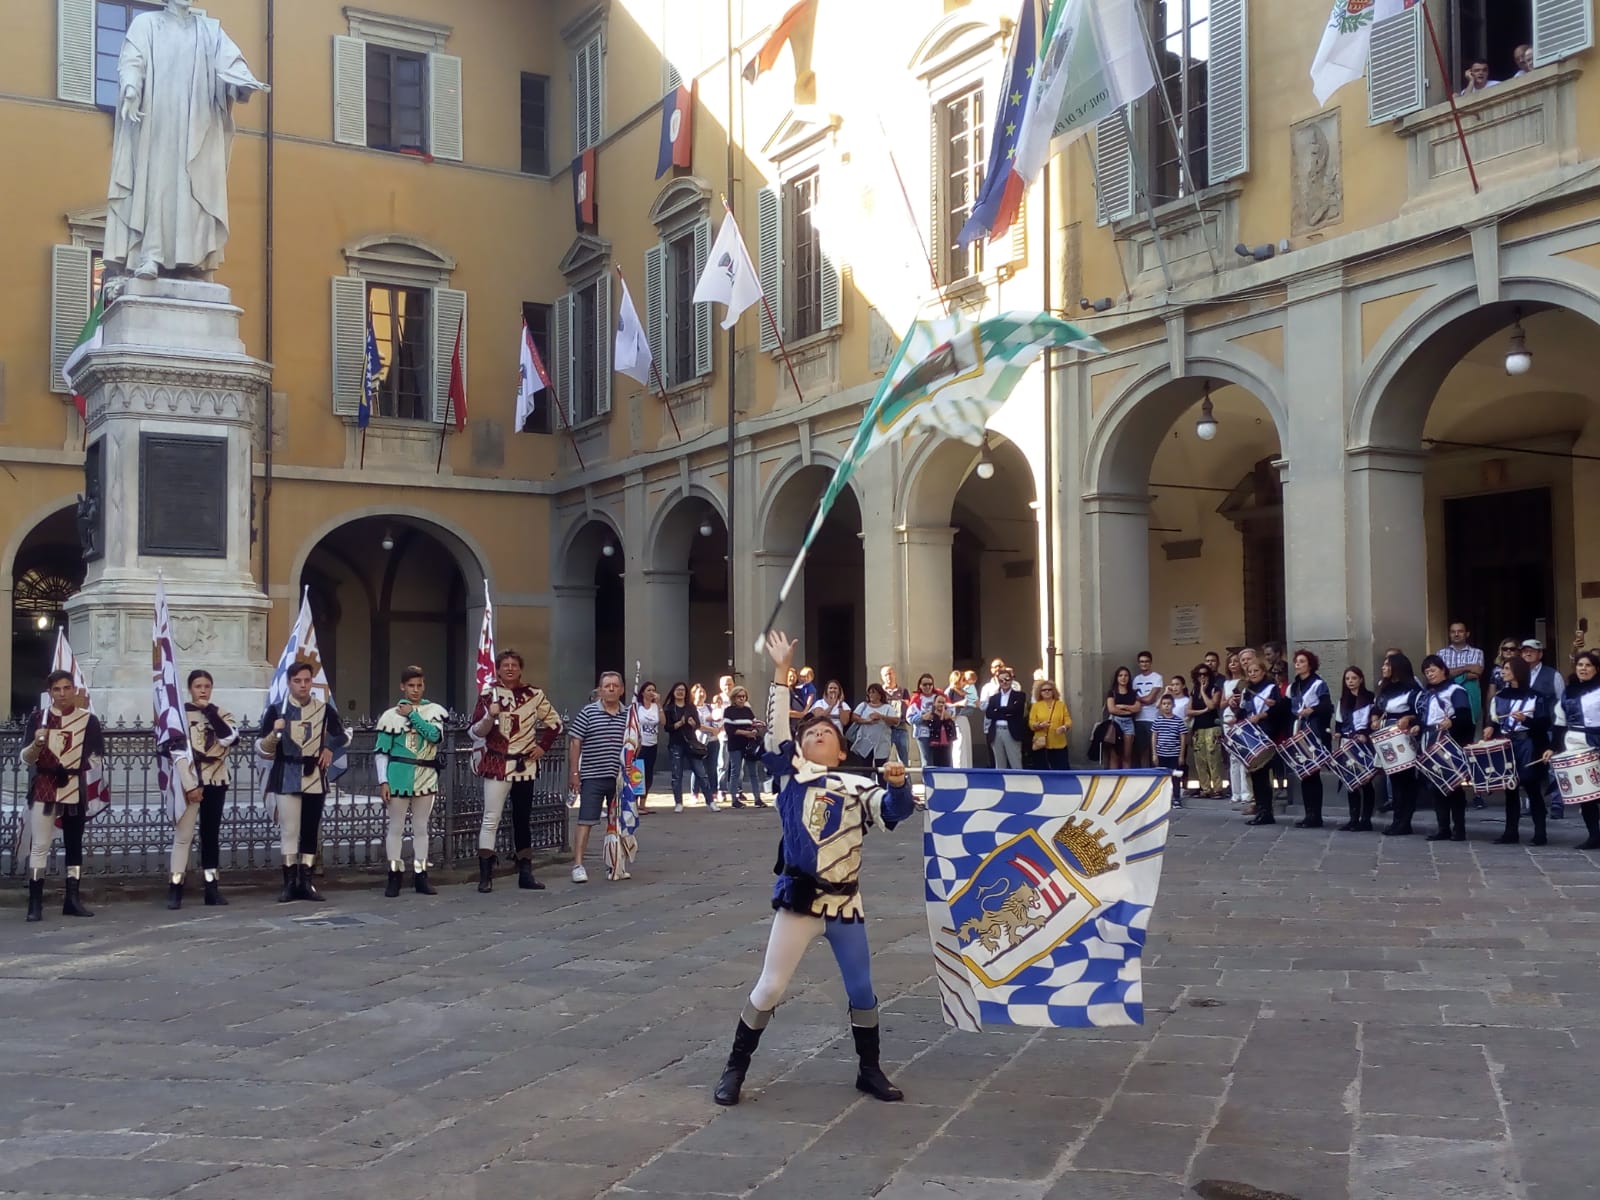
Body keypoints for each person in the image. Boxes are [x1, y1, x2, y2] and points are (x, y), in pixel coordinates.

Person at [712, 630, 915, 1108]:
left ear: (842, 751)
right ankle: (734, 1068)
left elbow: (894, 812)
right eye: (810, 733)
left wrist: (900, 784)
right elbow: (777, 727)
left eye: (827, 733)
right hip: (800, 901)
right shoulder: (792, 774)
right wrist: (782, 673)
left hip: (846, 904)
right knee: (771, 985)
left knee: (862, 989)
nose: (818, 733)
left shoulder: (856, 785)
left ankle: (870, 1069)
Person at [106, 0, 269, 279]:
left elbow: (233, 65)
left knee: (194, 189)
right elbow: (132, 60)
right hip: (159, 119)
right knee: (158, 184)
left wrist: (243, 84)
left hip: (198, 125)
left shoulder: (210, 31)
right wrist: (131, 90)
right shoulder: (146, 24)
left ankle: (191, 259)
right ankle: (151, 255)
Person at [469, 650, 561, 892]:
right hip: (497, 763)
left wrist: (542, 747)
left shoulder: (534, 695)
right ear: (498, 669)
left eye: (514, 665)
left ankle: (525, 872)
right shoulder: (489, 694)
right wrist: (491, 715)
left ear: (520, 669)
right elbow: (475, 731)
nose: (509, 668)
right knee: (491, 818)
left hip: (525, 765)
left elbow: (555, 723)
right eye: (505, 665)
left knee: (522, 819)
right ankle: (485, 874)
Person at [259, 661, 350, 903]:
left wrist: (329, 747)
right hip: (286, 772)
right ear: (289, 682)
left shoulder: (323, 709)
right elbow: (262, 747)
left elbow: (343, 734)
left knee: (310, 829)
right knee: (290, 830)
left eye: (307, 680)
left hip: (314, 776)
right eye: (297, 681)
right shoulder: (276, 711)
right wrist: (274, 733)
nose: (302, 685)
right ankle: (289, 884)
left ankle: (306, 882)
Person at [20, 671, 104, 922]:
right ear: (50, 693)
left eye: (67, 688)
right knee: (40, 845)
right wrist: (36, 744)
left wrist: (76, 764)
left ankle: (72, 899)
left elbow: (97, 755)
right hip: (44, 785)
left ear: (74, 690)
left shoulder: (88, 720)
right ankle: (35, 904)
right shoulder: (38, 718)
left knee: (74, 845)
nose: (63, 693)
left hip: (73, 785)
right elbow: (24, 758)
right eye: (57, 689)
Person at [167, 669, 237, 909]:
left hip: (215, 780)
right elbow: (176, 753)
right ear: (190, 689)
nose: (203, 690)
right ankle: (175, 887)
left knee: (210, 836)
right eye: (198, 686)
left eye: (207, 685)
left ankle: (211, 889)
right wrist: (190, 786)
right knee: (183, 836)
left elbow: (228, 738)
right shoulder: (179, 715)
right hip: (189, 781)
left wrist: (209, 711)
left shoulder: (222, 713)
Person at [374, 666, 446, 897]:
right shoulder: (389, 716)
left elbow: (434, 736)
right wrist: (383, 780)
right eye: (411, 685)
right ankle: (394, 874)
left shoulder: (433, 711)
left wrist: (413, 715)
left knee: (421, 828)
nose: (415, 690)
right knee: (395, 827)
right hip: (398, 775)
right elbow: (382, 751)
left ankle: (420, 874)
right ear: (402, 687)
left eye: (419, 685)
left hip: (425, 774)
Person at [565, 671, 631, 881]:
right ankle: (578, 865)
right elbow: (576, 742)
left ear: (621, 690)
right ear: (600, 690)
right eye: (607, 686)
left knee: (618, 822)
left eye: (615, 686)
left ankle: (615, 863)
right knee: (586, 820)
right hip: (593, 775)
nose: (611, 689)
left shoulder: (629, 715)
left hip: (619, 778)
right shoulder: (589, 712)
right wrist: (574, 772)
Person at [1486, 655, 1553, 846]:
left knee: (1532, 788)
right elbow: (1495, 719)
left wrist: (1526, 720)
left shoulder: (1535, 696)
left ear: (1517, 672)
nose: (1503, 672)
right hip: (1507, 744)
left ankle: (1540, 833)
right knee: (1510, 789)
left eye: (1507, 669)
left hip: (1528, 745)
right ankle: (1510, 832)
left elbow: (1544, 723)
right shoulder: (1499, 697)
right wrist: (1490, 726)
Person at [1417, 655, 1474, 843]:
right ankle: (1443, 828)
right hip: (1429, 740)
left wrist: (1453, 722)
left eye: (1433, 670)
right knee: (1436, 786)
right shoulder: (1425, 693)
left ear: (1443, 670)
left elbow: (1465, 716)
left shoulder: (1455, 690)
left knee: (1453, 786)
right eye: (1427, 672)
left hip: (1448, 741)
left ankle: (1459, 829)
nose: (1430, 674)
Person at [1372, 652, 1423, 837]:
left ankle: (1405, 821)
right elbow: (1377, 708)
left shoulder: (1412, 690)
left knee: (1406, 781)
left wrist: (1408, 718)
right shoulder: (1385, 689)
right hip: (1386, 736)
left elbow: (1422, 713)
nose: (1383, 667)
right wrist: (1374, 718)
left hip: (1403, 737)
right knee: (1394, 780)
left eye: (1388, 664)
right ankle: (1397, 820)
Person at [1236, 657, 1286, 825]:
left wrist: (1263, 714)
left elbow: (1279, 710)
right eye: (1249, 672)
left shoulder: (1271, 688)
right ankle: (1260, 809)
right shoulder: (1247, 690)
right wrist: (1235, 709)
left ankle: (1267, 812)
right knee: (1255, 774)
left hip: (1266, 734)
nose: (1253, 674)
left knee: (1264, 775)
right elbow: (1242, 713)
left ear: (1263, 672)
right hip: (1251, 736)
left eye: (1256, 671)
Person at [1288, 650, 1333, 829]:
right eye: (1296, 662)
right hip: (1298, 731)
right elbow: (1288, 708)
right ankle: (1309, 814)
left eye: (1301, 661)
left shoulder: (1318, 684)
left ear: (1310, 664)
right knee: (1304, 775)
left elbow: (1326, 706)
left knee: (1312, 774)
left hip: (1313, 732)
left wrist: (1312, 710)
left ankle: (1316, 815)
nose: (1297, 664)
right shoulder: (1294, 687)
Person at [1523, 639, 1568, 820]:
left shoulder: (1552, 675)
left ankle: (1557, 804)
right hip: (1528, 728)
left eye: (1532, 651)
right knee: (1528, 766)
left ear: (1540, 654)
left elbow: (1561, 701)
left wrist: (1560, 727)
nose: (1528, 653)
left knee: (1553, 766)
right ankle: (1530, 803)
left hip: (1549, 726)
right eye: (1525, 650)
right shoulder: (1518, 674)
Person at [1560, 650, 1600, 850]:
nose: (1583, 669)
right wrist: (1553, 747)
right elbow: (1559, 720)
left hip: (1597, 742)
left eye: (1588, 665)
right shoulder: (1568, 691)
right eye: (1580, 665)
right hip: (1575, 744)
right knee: (1586, 793)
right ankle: (1594, 835)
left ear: (1596, 669)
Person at [1334, 667, 1377, 832]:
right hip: (1347, 743)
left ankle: (1366, 819)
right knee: (1351, 782)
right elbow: (1338, 723)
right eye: (1347, 679)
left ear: (1361, 679)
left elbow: (1373, 720)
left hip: (1364, 743)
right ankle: (1353, 819)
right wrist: (1337, 733)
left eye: (1353, 678)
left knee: (1365, 781)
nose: (1350, 681)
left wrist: (1366, 734)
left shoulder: (1369, 698)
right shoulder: (1343, 700)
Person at [664, 681, 715, 813]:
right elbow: (667, 727)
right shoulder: (669, 708)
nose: (680, 692)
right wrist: (678, 724)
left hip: (691, 743)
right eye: (678, 690)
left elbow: (697, 725)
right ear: (674, 692)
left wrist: (693, 724)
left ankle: (710, 801)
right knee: (677, 775)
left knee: (701, 773)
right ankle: (678, 803)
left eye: (683, 690)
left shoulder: (690, 707)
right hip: (676, 744)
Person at [723, 685, 768, 807]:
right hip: (735, 745)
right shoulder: (728, 711)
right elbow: (729, 729)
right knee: (735, 772)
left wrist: (755, 730)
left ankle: (757, 799)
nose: (742, 699)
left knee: (754, 773)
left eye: (744, 696)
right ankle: (734, 799)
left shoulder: (748, 711)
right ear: (733, 698)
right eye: (739, 697)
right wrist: (746, 733)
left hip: (749, 746)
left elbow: (754, 723)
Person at [1221, 653, 1253, 809]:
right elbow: (1221, 704)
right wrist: (1229, 701)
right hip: (1228, 718)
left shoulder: (1246, 681)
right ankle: (1236, 793)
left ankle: (1247, 793)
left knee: (1244, 757)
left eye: (1236, 661)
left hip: (1241, 717)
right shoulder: (1226, 683)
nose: (1233, 664)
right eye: (1230, 662)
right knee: (1233, 757)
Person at [1189, 663, 1224, 799]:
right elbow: (1188, 710)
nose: (1202, 677)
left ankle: (1218, 789)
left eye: (1205, 674)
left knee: (1213, 759)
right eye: (1199, 675)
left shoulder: (1215, 689)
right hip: (1198, 728)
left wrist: (1203, 691)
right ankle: (1205, 788)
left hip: (1212, 727)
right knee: (1200, 760)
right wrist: (1201, 711)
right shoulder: (1193, 691)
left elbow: (1212, 705)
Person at [984, 667, 1027, 769]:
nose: (1004, 682)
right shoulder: (994, 697)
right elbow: (989, 713)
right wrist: (1006, 711)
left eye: (1007, 679)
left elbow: (1016, 711)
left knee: (1015, 761)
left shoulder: (1020, 695)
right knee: (999, 763)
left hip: (1011, 731)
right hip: (996, 731)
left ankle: (1018, 783)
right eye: (1001, 680)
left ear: (1011, 679)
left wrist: (998, 710)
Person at [1151, 696, 1188, 807]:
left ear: (1173, 705)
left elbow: (1182, 738)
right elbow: (1154, 737)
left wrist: (1181, 755)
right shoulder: (1158, 720)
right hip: (1161, 754)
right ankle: (1160, 799)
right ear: (1161, 706)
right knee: (1161, 778)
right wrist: (1154, 754)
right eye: (1164, 704)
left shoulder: (1178, 721)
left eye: (1169, 703)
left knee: (1175, 777)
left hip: (1174, 754)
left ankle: (1176, 798)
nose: (1167, 706)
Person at [850, 683, 897, 769]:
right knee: (865, 769)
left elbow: (895, 721)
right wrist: (866, 721)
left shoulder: (887, 708)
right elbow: (854, 717)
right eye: (869, 692)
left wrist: (881, 717)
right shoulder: (863, 705)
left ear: (879, 695)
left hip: (881, 743)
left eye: (873, 692)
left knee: (881, 769)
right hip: (865, 742)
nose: (871, 695)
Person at [1100, 666, 1139, 770]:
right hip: (1115, 723)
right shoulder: (1112, 692)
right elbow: (1112, 709)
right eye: (1120, 675)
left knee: (1127, 755)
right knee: (1114, 755)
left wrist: (1123, 707)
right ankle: (1114, 782)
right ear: (1117, 677)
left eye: (1126, 675)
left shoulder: (1133, 693)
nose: (1123, 678)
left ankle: (1125, 781)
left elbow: (1137, 708)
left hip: (1129, 724)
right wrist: (1128, 711)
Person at [1029, 680, 1072, 771]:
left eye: (1049, 689)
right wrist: (1040, 725)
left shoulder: (1061, 705)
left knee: (1061, 769)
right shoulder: (1036, 706)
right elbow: (1031, 723)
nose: (1047, 691)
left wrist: (1064, 727)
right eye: (1044, 690)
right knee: (1042, 769)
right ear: (1039, 692)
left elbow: (1067, 719)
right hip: (1042, 743)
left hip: (1059, 742)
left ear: (1054, 691)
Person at [693, 683, 724, 807]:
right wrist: (711, 729)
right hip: (699, 741)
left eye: (703, 692)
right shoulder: (693, 709)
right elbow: (697, 724)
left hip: (713, 741)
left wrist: (718, 728)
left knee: (712, 768)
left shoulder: (710, 707)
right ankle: (694, 793)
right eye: (699, 692)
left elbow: (720, 719)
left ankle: (713, 792)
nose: (702, 694)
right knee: (698, 768)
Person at [1131, 652, 1163, 769]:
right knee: (1142, 749)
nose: (1144, 664)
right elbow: (1132, 699)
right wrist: (1139, 700)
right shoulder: (1135, 679)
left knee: (1153, 749)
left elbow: (1150, 699)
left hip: (1152, 718)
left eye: (1146, 661)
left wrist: (1138, 699)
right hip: (1138, 718)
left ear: (1150, 663)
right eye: (1141, 662)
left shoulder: (1157, 677)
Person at [879, 666, 912, 765]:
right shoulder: (880, 692)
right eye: (886, 675)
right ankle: (882, 780)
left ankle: (905, 780)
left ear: (894, 674)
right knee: (883, 758)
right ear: (882, 677)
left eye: (890, 673)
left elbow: (908, 708)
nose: (888, 677)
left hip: (901, 728)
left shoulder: (903, 691)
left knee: (904, 760)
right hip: (885, 729)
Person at [907, 673, 942, 766]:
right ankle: (927, 780)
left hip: (939, 732)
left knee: (940, 761)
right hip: (923, 733)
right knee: (927, 761)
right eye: (925, 684)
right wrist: (922, 717)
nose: (928, 687)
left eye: (930, 684)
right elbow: (909, 718)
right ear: (920, 686)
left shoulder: (939, 696)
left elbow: (950, 711)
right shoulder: (916, 699)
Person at [636, 682, 662, 800]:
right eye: (649, 690)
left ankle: (643, 803)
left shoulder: (656, 707)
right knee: (638, 773)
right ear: (643, 692)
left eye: (653, 690)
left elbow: (663, 722)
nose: (652, 692)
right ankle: (634, 802)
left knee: (649, 773)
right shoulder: (637, 706)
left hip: (653, 743)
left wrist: (659, 705)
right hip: (640, 745)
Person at [921, 694, 959, 767]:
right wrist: (941, 717)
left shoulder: (948, 715)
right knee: (936, 765)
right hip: (935, 745)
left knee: (947, 764)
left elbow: (952, 730)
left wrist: (948, 719)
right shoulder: (931, 716)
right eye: (939, 702)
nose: (941, 704)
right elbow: (935, 728)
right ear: (934, 703)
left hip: (947, 744)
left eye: (943, 702)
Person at [945, 670, 973, 768]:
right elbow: (946, 706)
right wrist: (958, 704)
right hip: (955, 719)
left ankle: (967, 767)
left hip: (964, 719)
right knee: (959, 746)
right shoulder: (950, 691)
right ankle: (959, 767)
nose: (964, 682)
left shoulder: (964, 691)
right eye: (962, 680)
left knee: (966, 745)